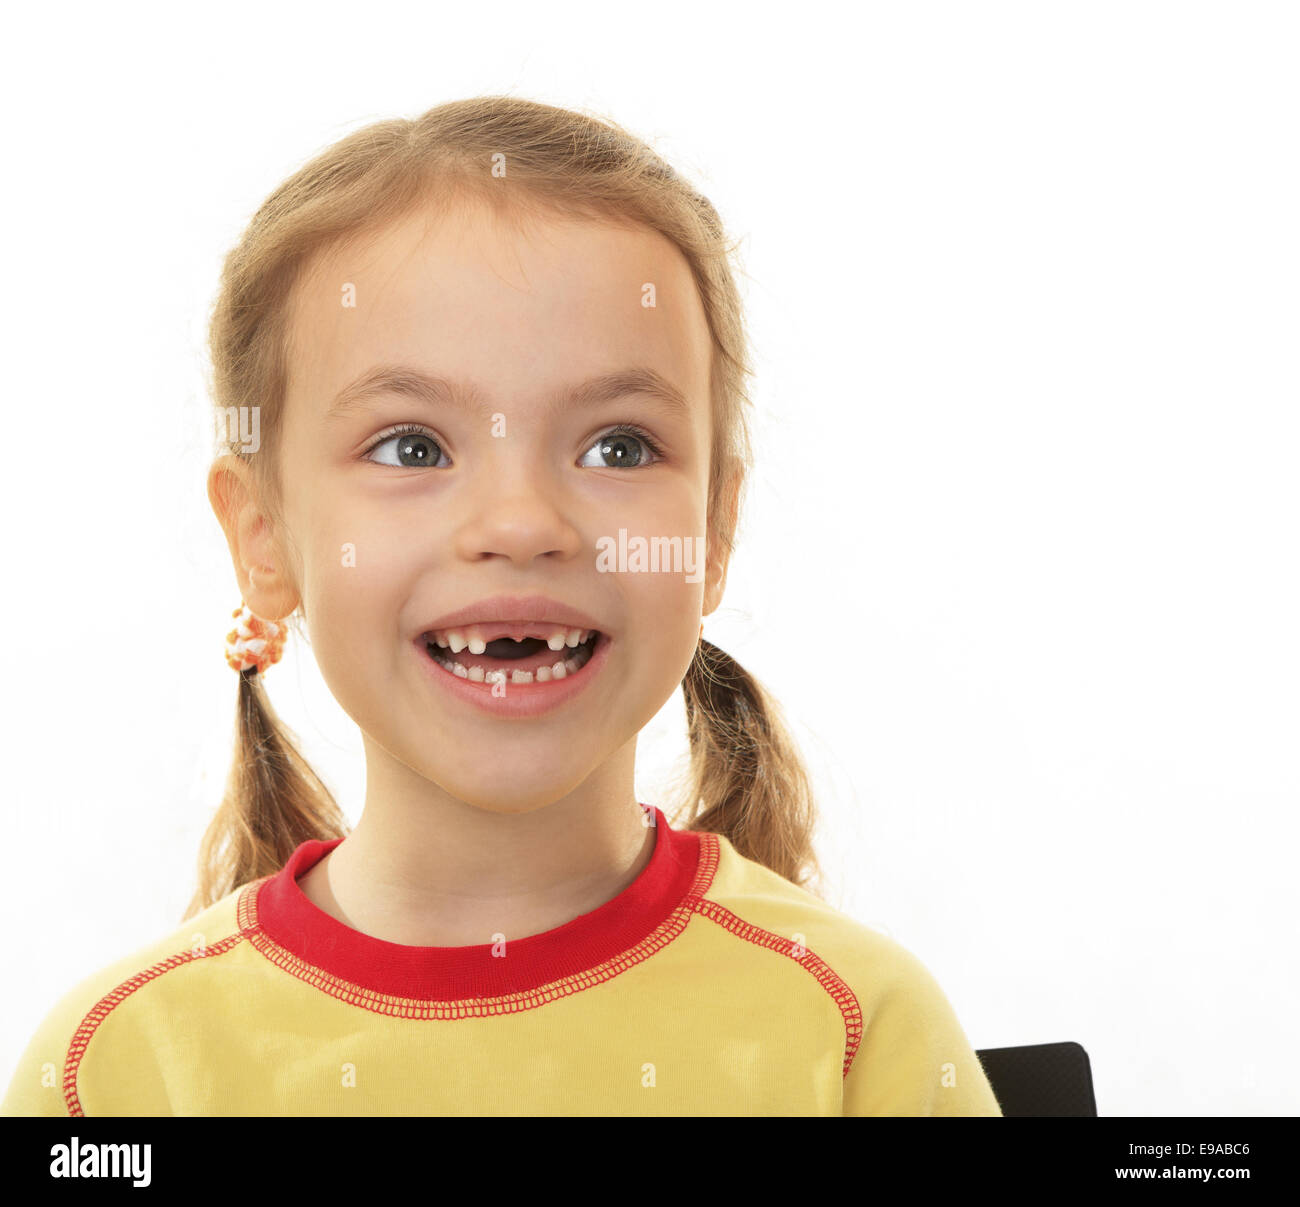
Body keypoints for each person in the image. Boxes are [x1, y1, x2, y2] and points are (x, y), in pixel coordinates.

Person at [1, 95, 1001, 1117]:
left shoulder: (856, 1033)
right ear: (263, 537)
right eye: (411, 447)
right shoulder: (111, 1076)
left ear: (712, 531)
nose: (521, 522)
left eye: (618, 445)